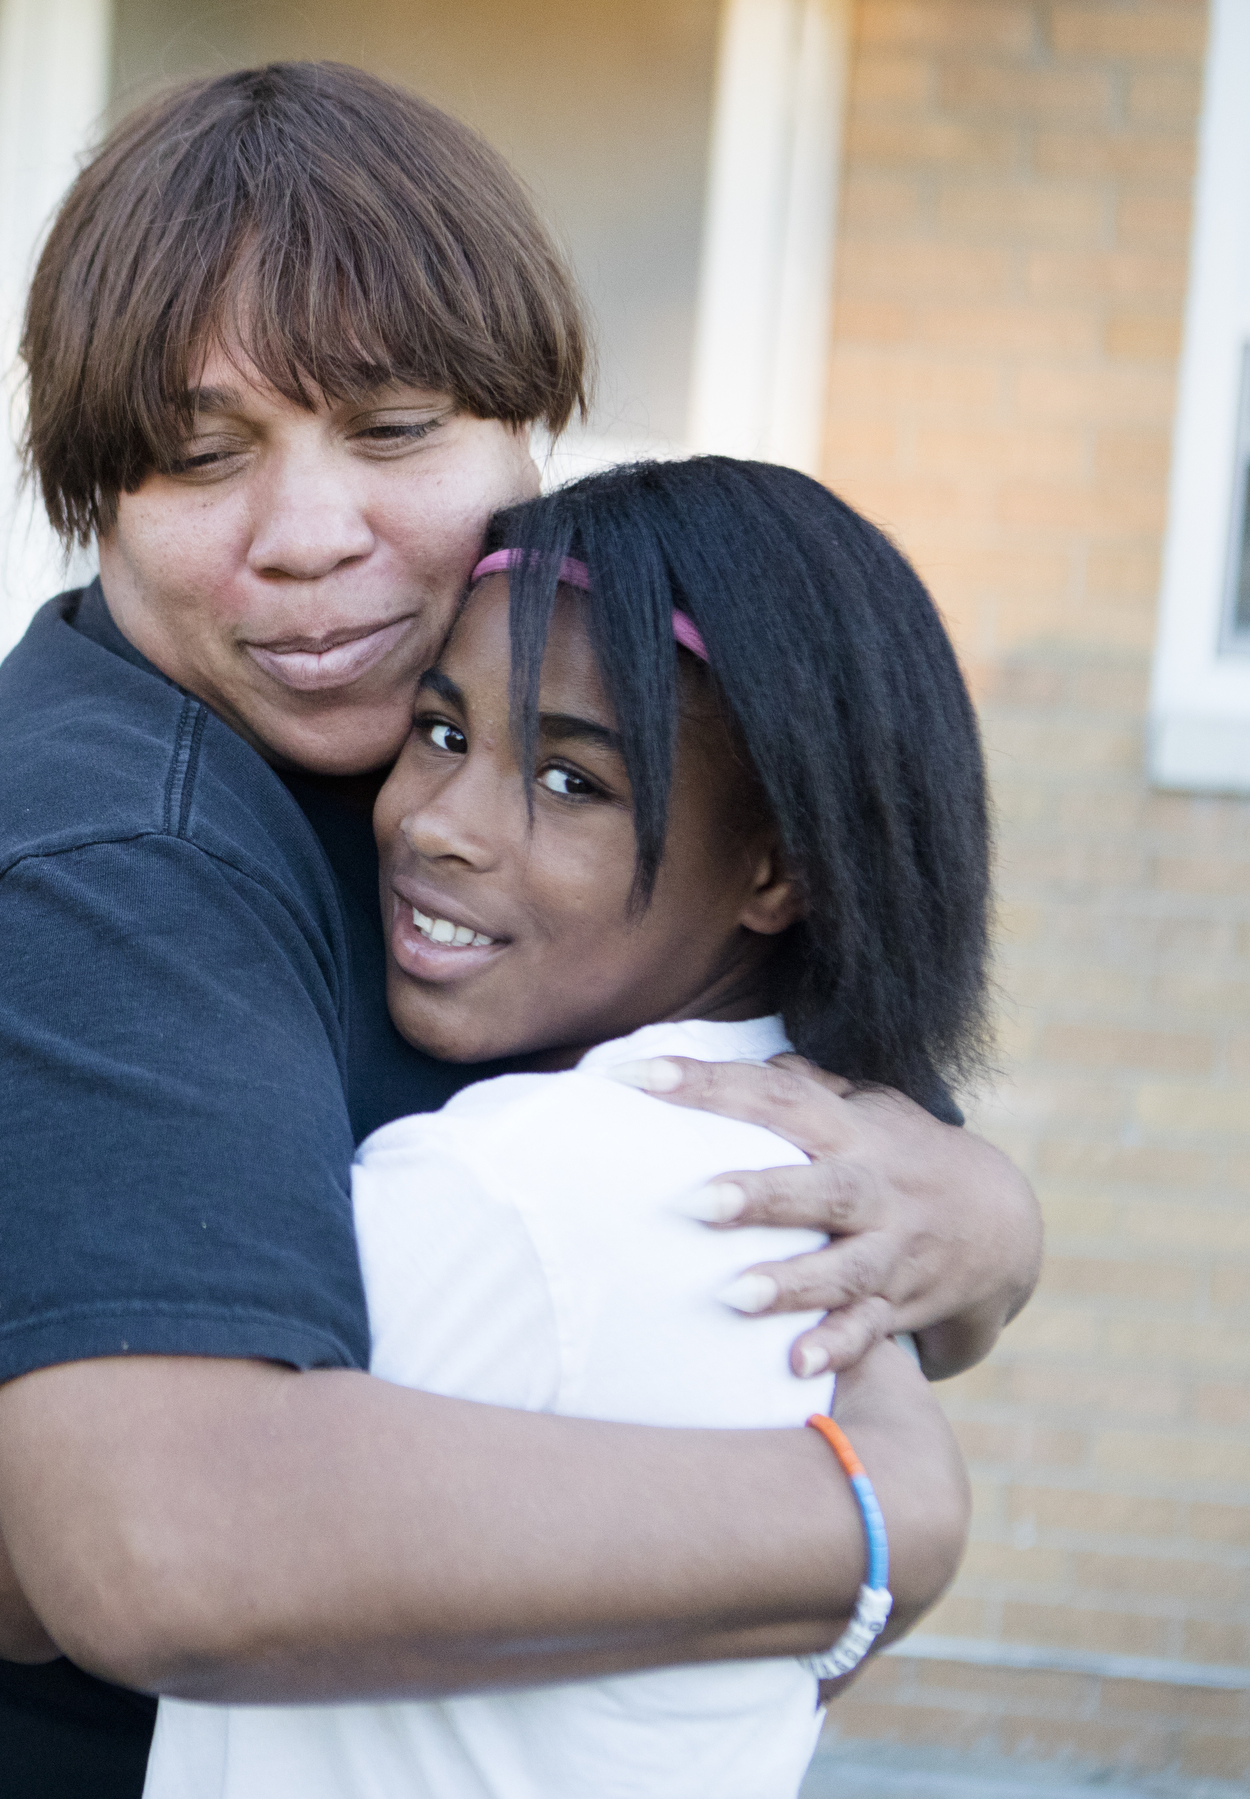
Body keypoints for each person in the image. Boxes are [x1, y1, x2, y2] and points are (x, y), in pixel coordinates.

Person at [0, 64, 1040, 1799]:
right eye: (198, 456)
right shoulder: (95, 872)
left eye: (393, 433)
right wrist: (872, 1514)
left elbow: (853, 1203)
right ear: (99, 502)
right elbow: (142, 1556)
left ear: (529, 440)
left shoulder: (494, 732)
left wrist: (981, 1221)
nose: (311, 541)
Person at [137, 454, 992, 1797]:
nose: (439, 826)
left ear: (779, 868)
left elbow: (121, 1556)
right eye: (440, 730)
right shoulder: (813, 1162)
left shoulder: (505, 1191)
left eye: (573, 782)